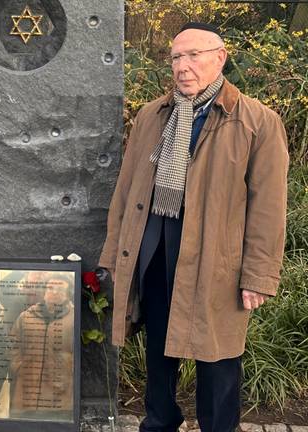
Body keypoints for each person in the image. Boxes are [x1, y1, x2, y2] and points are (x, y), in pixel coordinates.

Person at [99, 22, 288, 432]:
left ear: (220, 58)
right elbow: (127, 189)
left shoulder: (256, 121)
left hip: (216, 257)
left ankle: (219, 427)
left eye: (194, 55)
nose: (183, 66)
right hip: (153, 247)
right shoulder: (153, 115)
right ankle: (159, 422)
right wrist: (115, 255)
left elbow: (268, 209)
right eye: (176, 57)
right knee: (158, 349)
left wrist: (258, 275)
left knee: (217, 353)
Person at [8, 276, 74, 419]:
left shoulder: (74, 319)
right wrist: (18, 366)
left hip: (59, 393)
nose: (54, 292)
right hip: (27, 388)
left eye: (60, 289)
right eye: (50, 288)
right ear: (44, 291)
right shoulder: (26, 317)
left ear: (68, 295)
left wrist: (68, 372)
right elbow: (14, 345)